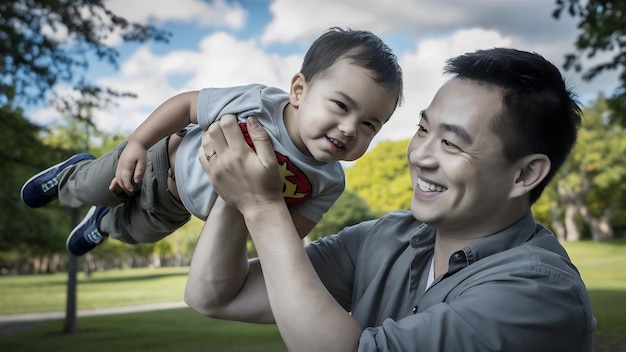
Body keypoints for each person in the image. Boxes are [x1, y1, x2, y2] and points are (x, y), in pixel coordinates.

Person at [185, 47, 596, 351]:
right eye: (422, 130)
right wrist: (237, 180)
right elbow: (216, 295)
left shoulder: (539, 294)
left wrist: (262, 205)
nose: (419, 156)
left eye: (451, 144)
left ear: (525, 174)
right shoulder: (384, 239)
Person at [19, 27, 404, 256]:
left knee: (137, 232)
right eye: (340, 105)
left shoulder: (329, 181)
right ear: (300, 90)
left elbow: (285, 233)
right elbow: (188, 105)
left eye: (370, 124)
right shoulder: (258, 103)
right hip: (159, 159)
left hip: (177, 207)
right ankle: (71, 176)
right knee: (95, 186)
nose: (350, 128)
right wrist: (138, 142)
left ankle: (104, 225)